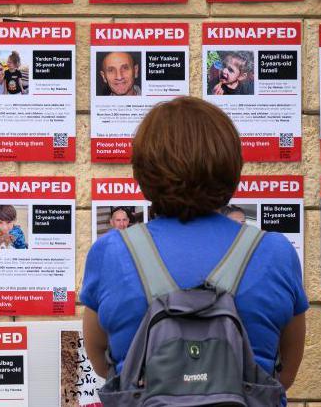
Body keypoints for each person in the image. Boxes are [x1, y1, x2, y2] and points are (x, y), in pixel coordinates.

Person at [81, 97, 307, 396]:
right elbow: (285, 374)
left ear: (142, 170)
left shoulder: (111, 252)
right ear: (231, 166)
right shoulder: (275, 252)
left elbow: (101, 362)